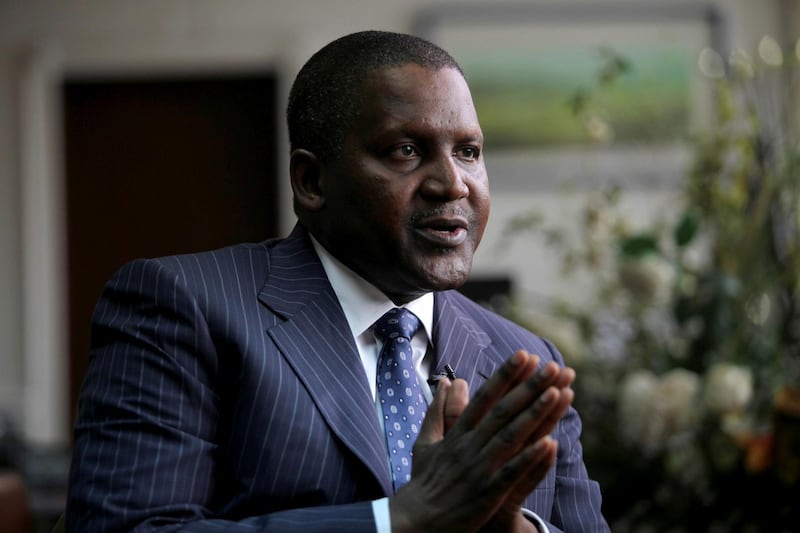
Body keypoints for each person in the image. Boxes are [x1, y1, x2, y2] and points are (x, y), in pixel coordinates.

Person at [66, 30, 609, 532]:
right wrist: (401, 520)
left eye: (468, 151)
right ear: (311, 180)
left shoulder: (525, 357)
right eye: (407, 151)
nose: (453, 184)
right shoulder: (183, 306)